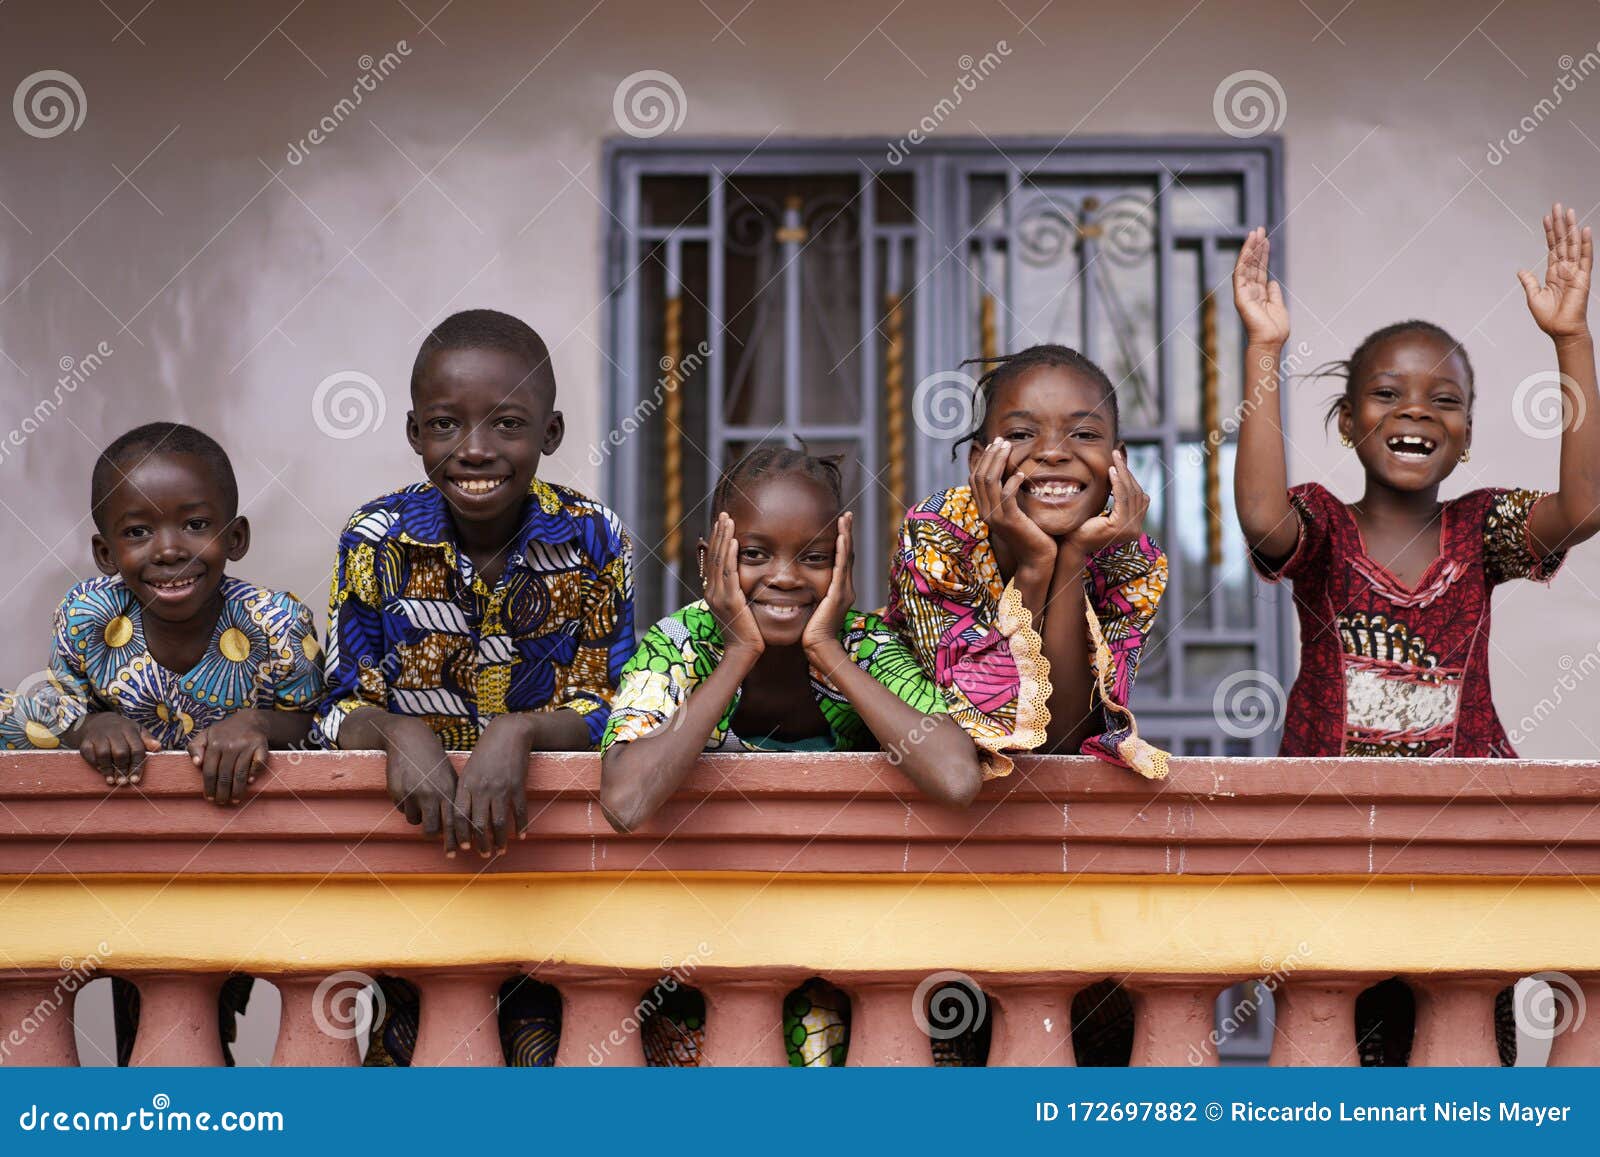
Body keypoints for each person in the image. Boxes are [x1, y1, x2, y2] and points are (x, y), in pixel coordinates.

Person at [1231, 205, 1600, 1064]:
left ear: (1467, 435)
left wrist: (1571, 340)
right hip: (1329, 850)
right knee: (1342, 1064)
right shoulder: (1320, 529)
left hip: (1464, 851)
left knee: (1461, 1054)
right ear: (1351, 421)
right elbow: (1258, 514)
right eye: (1387, 393)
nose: (1417, 412)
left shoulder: (1483, 532)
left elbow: (1583, 507)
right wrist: (1263, 353)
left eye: (1446, 400)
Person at [314, 308, 634, 1066]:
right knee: (407, 1069)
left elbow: (611, 705)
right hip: (413, 870)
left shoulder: (595, 537)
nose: (476, 449)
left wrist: (518, 732)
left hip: (551, 875)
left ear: (550, 433)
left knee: (549, 1067)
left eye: (508, 424)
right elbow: (334, 708)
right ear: (414, 434)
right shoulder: (376, 538)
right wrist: (401, 732)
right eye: (446, 425)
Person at [599, 446, 984, 1066]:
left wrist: (828, 649)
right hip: (709, 959)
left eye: (815, 558)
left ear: (845, 565)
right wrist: (737, 655)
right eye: (754, 554)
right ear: (711, 560)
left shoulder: (864, 644)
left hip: (852, 956)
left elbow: (957, 775)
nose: (784, 576)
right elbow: (626, 798)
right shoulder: (680, 644)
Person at [0, 420, 324, 1064]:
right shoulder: (89, 615)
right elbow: (43, 700)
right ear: (104, 552)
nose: (169, 549)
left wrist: (258, 723)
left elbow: (314, 720)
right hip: (130, 858)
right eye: (138, 532)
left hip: (248, 856)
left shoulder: (277, 623)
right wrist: (88, 725)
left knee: (218, 1007)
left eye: (196, 525)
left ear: (236, 537)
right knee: (149, 1022)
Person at [886, 344, 1169, 780]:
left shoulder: (1133, 563)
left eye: (1084, 434)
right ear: (980, 462)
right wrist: (1037, 563)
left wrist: (1072, 557)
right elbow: (989, 717)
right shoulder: (938, 534)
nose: (1053, 452)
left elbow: (1065, 737)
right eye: (1021, 434)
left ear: (1120, 462)